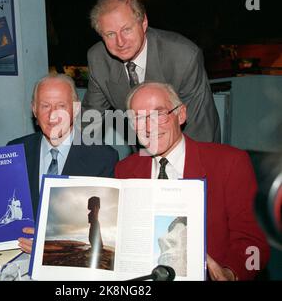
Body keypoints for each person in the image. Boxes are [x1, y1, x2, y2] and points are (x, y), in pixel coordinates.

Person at [115, 81, 270, 280]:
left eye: (159, 114)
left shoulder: (229, 163)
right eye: (138, 118)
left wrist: (231, 273)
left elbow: (255, 244)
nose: (147, 127)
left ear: (181, 115)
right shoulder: (125, 170)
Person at [0, 74, 119, 253]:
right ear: (34, 109)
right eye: (45, 106)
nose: (52, 115)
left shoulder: (102, 157)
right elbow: (1, 207)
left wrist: (46, 247)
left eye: (61, 106)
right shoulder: (15, 150)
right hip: (17, 253)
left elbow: (106, 227)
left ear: (76, 108)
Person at [82, 0, 220, 143]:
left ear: (144, 22)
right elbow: (89, 119)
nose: (120, 42)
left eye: (126, 30)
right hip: (142, 147)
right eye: (110, 34)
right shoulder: (99, 58)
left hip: (186, 146)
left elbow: (199, 128)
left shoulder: (182, 56)